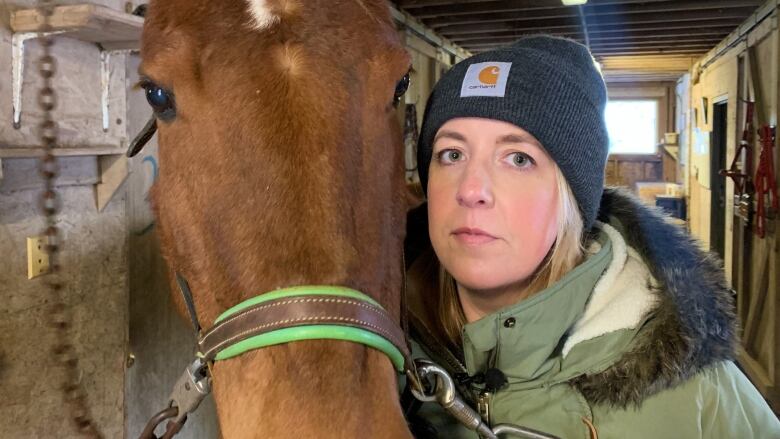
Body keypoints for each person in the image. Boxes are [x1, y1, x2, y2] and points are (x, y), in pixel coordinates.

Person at [400, 35, 780, 439]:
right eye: (451, 154)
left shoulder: (697, 392)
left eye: (518, 159)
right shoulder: (369, 356)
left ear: (572, 198)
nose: (471, 189)